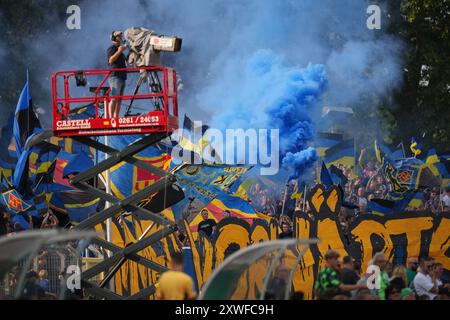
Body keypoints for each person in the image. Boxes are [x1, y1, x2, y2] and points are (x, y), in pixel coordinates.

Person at [106, 31, 128, 118]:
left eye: (120, 36)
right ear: (113, 38)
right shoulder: (112, 48)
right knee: (114, 98)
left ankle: (116, 117)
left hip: (122, 77)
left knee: (119, 99)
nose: (120, 37)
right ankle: (111, 118)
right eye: (118, 36)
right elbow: (110, 60)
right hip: (115, 76)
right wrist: (119, 51)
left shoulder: (120, 50)